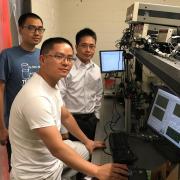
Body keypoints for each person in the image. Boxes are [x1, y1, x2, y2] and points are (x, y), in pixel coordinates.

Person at [9, 37, 128, 180]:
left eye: (69, 58)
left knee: (86, 150)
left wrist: (87, 141)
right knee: (92, 165)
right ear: (42, 60)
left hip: (51, 159)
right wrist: (97, 171)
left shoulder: (51, 86)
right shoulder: (36, 98)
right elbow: (57, 148)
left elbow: (65, 116)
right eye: (59, 57)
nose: (66, 63)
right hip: (37, 174)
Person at [0, 12, 45, 167]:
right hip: (16, 128)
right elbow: (0, 92)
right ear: (20, 29)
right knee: (20, 170)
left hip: (41, 125)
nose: (37, 33)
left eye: (40, 29)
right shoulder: (7, 56)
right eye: (31, 28)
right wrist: (1, 127)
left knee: (42, 168)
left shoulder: (44, 55)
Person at [59, 28, 103, 141]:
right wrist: (63, 129)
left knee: (91, 155)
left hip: (91, 121)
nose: (88, 50)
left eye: (92, 46)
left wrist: (97, 116)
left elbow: (98, 94)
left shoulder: (96, 69)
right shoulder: (67, 68)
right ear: (76, 47)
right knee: (74, 156)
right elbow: (59, 99)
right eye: (84, 45)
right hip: (71, 121)